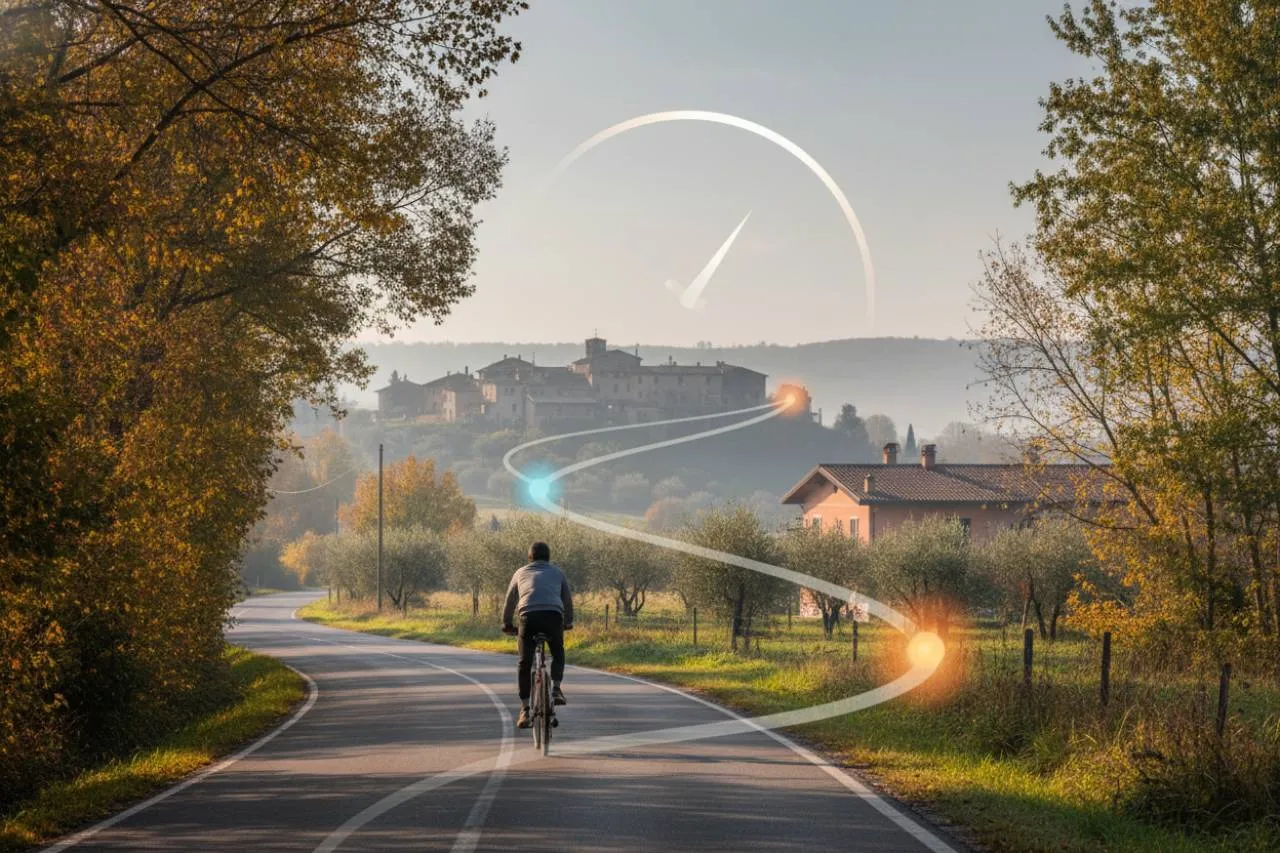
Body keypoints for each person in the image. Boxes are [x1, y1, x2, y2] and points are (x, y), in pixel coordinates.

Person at [502, 541, 573, 728]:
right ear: (549, 557)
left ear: (530, 558)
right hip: (553, 616)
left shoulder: (520, 572)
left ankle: (525, 710)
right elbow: (567, 600)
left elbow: (510, 600)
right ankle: (556, 688)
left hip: (529, 617)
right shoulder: (558, 572)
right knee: (558, 651)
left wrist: (507, 623)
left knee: (524, 662)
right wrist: (568, 622)